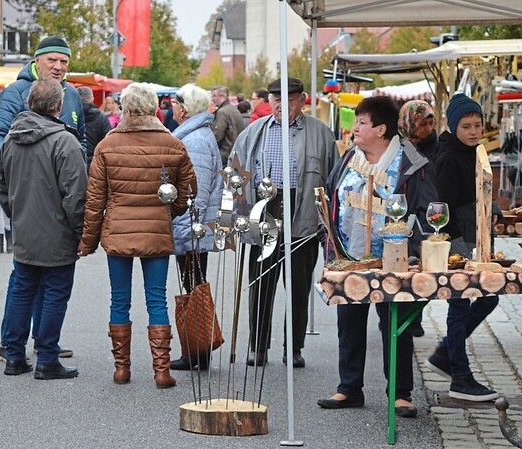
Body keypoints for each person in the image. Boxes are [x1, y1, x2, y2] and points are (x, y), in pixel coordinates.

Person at [317, 96, 437, 418]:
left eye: (362, 122)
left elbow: (426, 212)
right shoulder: (348, 159)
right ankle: (349, 387)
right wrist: (329, 244)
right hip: (351, 255)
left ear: (381, 129)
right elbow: (331, 197)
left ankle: (400, 393)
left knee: (395, 326)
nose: (354, 127)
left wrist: (411, 252)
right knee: (349, 322)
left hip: (394, 260)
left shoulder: (411, 164)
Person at [78, 83, 196, 389]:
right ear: (155, 108)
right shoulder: (173, 145)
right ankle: (161, 371)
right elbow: (186, 193)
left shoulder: (107, 146)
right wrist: (170, 211)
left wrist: (87, 242)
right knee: (156, 299)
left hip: (118, 231)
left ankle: (121, 368)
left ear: (125, 110)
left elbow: (95, 200)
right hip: (156, 230)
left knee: (120, 300)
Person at [0, 36, 85, 361]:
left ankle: (43, 344)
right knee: (33, 281)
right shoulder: (16, 92)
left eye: (63, 62)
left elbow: (80, 141)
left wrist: (75, 162)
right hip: (32, 203)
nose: (58, 67)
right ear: (37, 60)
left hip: (52, 201)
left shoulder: (71, 95)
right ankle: (21, 348)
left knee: (35, 280)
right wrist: (22, 183)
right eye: (52, 60)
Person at [230, 77, 338, 368]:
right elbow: (235, 173)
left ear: (301, 100)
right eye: (276, 99)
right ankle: (258, 346)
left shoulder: (320, 133)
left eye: (288, 99)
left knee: (298, 285)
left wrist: (327, 223)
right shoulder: (254, 132)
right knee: (261, 283)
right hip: (264, 211)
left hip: (302, 212)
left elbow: (334, 180)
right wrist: (241, 217)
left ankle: (294, 347)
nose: (281, 104)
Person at [426, 94, 500, 402]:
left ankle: (446, 354)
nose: (473, 131)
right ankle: (460, 374)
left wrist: (491, 208)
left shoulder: (475, 152)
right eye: (466, 126)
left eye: (478, 125)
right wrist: (459, 250)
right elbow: (443, 209)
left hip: (478, 241)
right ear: (454, 126)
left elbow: (478, 190)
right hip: (460, 244)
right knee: (460, 306)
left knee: (489, 298)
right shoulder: (448, 158)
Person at [168, 84, 224, 371]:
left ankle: (198, 350)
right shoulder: (194, 135)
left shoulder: (196, 140)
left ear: (185, 108)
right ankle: (196, 349)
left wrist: (189, 229)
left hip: (192, 226)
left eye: (176, 103)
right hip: (190, 225)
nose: (172, 107)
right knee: (193, 287)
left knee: (194, 289)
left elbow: (196, 193)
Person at [398, 99, 438, 338]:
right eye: (423, 123)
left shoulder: (435, 148)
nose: (429, 128)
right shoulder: (398, 149)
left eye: (431, 121)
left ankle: (414, 319)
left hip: (427, 214)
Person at [78, 86, 111, 170]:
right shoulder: (101, 117)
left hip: (75, 161)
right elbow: (108, 142)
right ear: (92, 99)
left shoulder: (72, 115)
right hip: (95, 163)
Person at [211, 86, 244, 163]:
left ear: (223, 96)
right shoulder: (234, 109)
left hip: (225, 154)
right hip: (236, 152)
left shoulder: (222, 112)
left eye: (214, 96)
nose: (212, 99)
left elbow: (217, 136)